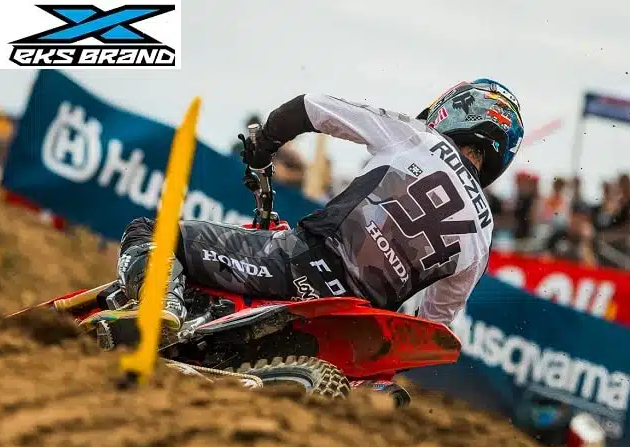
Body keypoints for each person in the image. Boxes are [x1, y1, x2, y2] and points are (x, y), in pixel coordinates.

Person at [80, 79, 524, 341]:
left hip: (297, 264)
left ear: (454, 110)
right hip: (356, 321)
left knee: (153, 231)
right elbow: (433, 325)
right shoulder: (483, 235)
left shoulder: (417, 137)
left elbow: (313, 107)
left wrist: (264, 142)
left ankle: (161, 307)